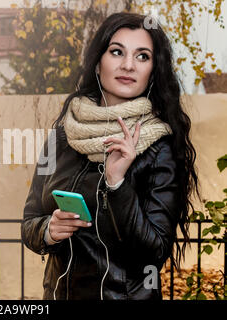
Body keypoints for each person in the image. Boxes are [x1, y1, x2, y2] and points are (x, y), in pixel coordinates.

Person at [21, 12, 201, 300]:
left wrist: (117, 185)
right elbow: (30, 220)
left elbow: (154, 251)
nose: (128, 65)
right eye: (117, 52)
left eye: (142, 56)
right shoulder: (62, 136)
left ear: (153, 70)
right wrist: (48, 230)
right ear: (98, 62)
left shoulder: (160, 146)